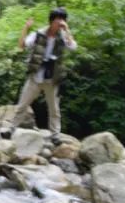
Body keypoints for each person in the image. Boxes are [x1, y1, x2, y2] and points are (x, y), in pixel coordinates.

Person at [10, 8, 77, 136]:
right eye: (59, 20)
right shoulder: (39, 33)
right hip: (36, 75)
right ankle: (11, 129)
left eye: (63, 20)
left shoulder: (63, 35)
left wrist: (67, 30)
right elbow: (22, 45)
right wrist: (26, 28)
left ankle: (55, 135)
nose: (61, 23)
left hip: (52, 77)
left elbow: (73, 47)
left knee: (54, 109)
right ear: (51, 21)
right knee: (22, 105)